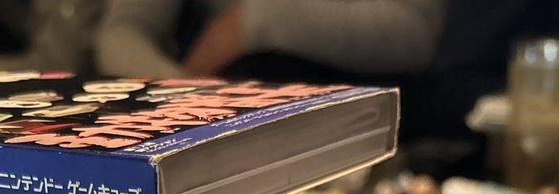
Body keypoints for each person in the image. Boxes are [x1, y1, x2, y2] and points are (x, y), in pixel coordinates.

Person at [95, 0, 448, 83]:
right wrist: (183, 91)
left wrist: (253, 22)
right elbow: (123, 32)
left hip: (353, 116)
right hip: (215, 105)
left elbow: (413, 33)